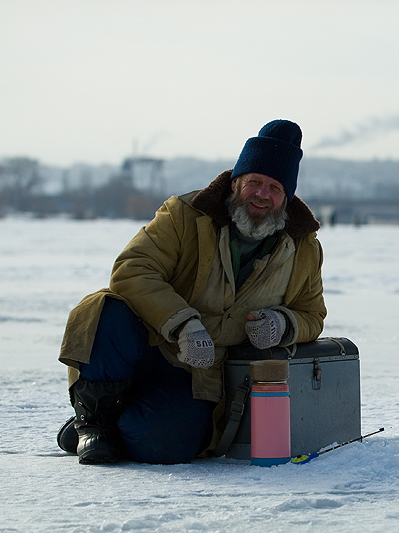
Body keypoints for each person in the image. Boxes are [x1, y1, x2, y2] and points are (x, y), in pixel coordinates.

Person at [56, 119, 326, 465]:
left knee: (162, 448)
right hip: (146, 342)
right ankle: (93, 424)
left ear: (286, 197)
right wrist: (183, 323)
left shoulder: (302, 248)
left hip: (199, 372)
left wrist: (283, 323)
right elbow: (132, 270)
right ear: (235, 184)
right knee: (105, 311)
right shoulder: (184, 215)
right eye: (254, 182)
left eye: (274, 188)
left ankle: (102, 424)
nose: (262, 195)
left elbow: (312, 314)